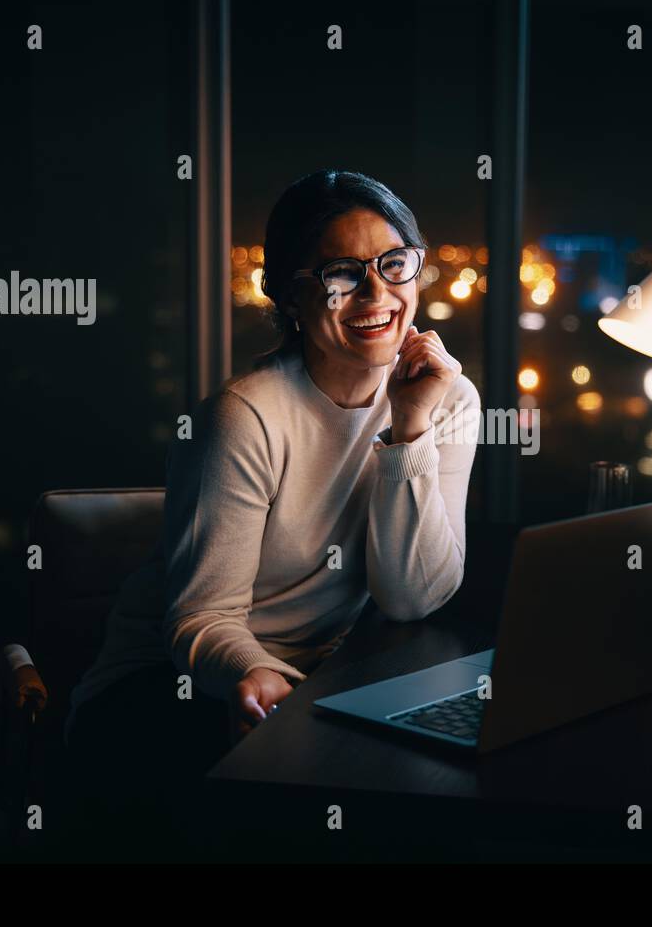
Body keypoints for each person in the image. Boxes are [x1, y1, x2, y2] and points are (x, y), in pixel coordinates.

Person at [63, 170, 480, 851]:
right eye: (342, 274)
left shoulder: (446, 398)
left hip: (316, 682)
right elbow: (200, 618)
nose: (378, 293)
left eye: (394, 264)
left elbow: (411, 597)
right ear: (290, 296)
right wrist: (256, 673)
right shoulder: (245, 416)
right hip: (168, 689)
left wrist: (409, 428)